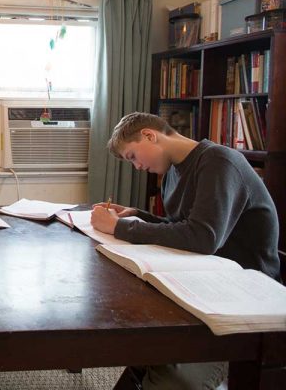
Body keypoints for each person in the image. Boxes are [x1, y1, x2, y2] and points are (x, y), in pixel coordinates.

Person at [91, 112, 279, 390]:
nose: (137, 167)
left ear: (149, 135)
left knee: (172, 380)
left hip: (244, 299)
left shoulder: (219, 162)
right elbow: (181, 226)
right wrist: (138, 216)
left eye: (132, 156)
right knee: (140, 340)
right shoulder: (174, 171)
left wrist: (120, 229)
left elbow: (203, 237)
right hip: (204, 281)